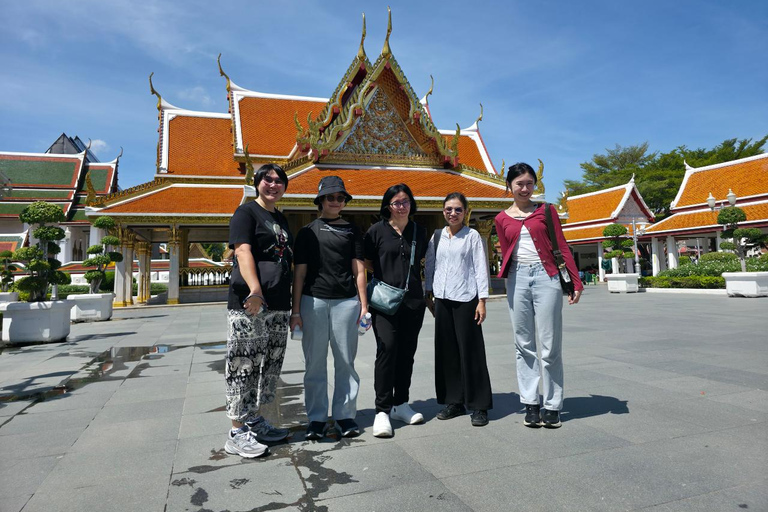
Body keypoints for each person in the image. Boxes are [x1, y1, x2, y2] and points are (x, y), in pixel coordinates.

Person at [495, 162, 583, 429]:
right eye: (519, 184)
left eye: (529, 184)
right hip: (517, 278)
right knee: (523, 344)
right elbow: (506, 251)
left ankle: (553, 405)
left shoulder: (546, 210)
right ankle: (531, 403)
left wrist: (575, 281)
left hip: (547, 276)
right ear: (509, 186)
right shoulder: (501, 219)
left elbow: (562, 245)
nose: (525, 189)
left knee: (550, 344)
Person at [224, 163, 294, 458]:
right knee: (244, 364)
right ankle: (236, 432)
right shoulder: (246, 213)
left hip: (278, 303)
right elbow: (242, 251)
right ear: (257, 183)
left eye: (279, 181)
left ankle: (254, 420)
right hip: (251, 302)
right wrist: (255, 290)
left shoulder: (280, 217)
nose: (273, 185)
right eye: (268, 179)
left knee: (269, 365)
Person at [290, 176, 368, 441]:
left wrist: (364, 305)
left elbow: (359, 270)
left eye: (340, 197)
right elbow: (299, 274)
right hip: (314, 301)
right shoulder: (307, 232)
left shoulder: (353, 231)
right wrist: (296, 311)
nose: (336, 201)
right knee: (314, 362)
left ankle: (345, 415)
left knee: (345, 361)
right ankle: (317, 418)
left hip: (346, 301)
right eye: (330, 197)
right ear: (321, 200)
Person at [363, 183, 428, 437]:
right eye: (396, 203)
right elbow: (366, 261)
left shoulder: (419, 230)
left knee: (407, 353)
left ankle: (401, 403)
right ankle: (382, 410)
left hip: (412, 302)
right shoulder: (376, 231)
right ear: (388, 206)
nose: (402, 207)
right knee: (387, 349)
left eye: (406, 201)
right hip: (383, 303)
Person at [425, 192, 493, 427]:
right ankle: (454, 401)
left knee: (471, 351)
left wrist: (482, 300)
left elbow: (480, 268)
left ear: (465, 212)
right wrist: (428, 293)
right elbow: (430, 265)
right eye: (448, 209)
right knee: (447, 352)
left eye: (458, 209)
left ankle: (479, 404)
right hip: (442, 299)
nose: (452, 213)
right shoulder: (437, 236)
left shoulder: (472, 236)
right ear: (443, 211)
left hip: (466, 298)